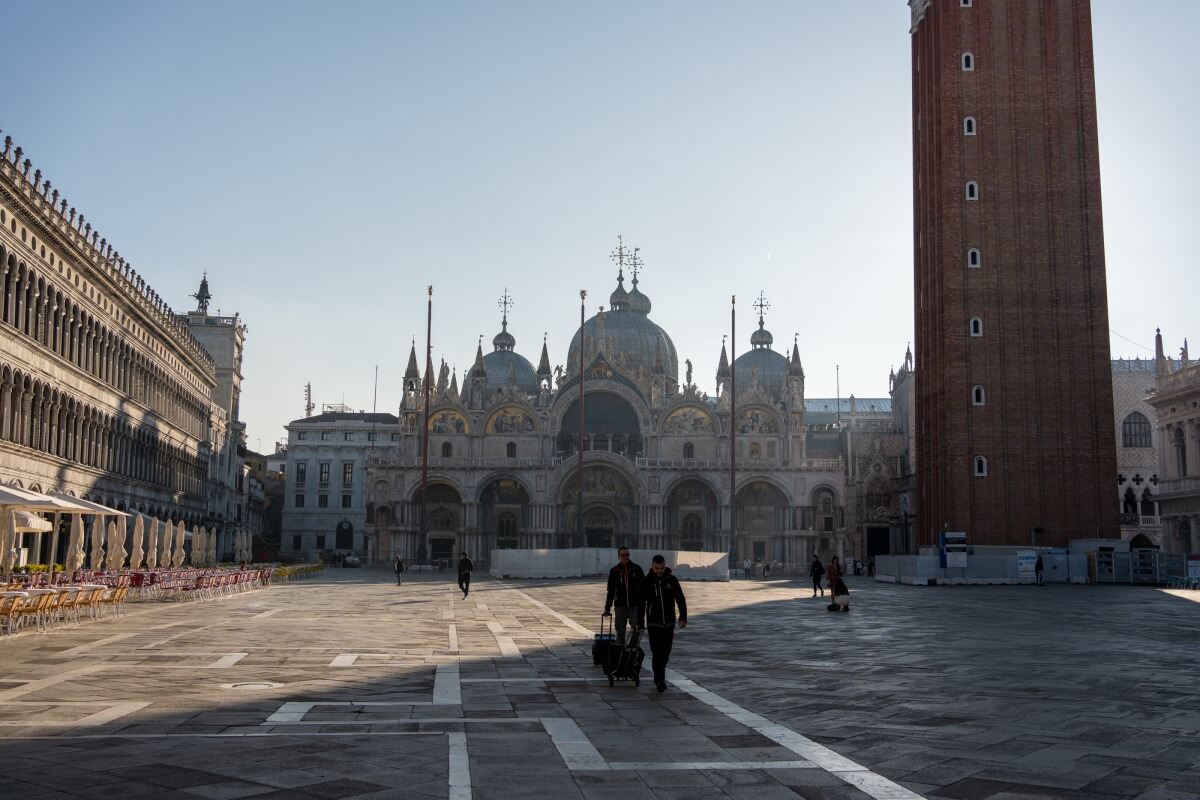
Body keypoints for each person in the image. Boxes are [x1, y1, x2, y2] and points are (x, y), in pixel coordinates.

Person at [636, 554, 687, 693]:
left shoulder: (671, 580)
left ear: (665, 566)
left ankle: (660, 675)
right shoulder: (646, 582)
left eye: (661, 568)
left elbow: (680, 599)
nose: (659, 571)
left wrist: (683, 618)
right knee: (657, 652)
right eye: (657, 568)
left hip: (669, 623)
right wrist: (640, 623)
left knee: (665, 652)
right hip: (654, 623)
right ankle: (659, 679)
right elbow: (640, 604)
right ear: (652, 566)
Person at [603, 547, 645, 646]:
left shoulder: (636, 569)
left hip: (635, 605)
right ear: (618, 557)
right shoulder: (614, 571)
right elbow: (611, 591)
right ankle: (620, 652)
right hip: (620, 606)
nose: (625, 557)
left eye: (627, 554)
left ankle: (631, 648)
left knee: (637, 628)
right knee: (620, 631)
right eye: (623, 555)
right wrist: (607, 608)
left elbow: (644, 587)